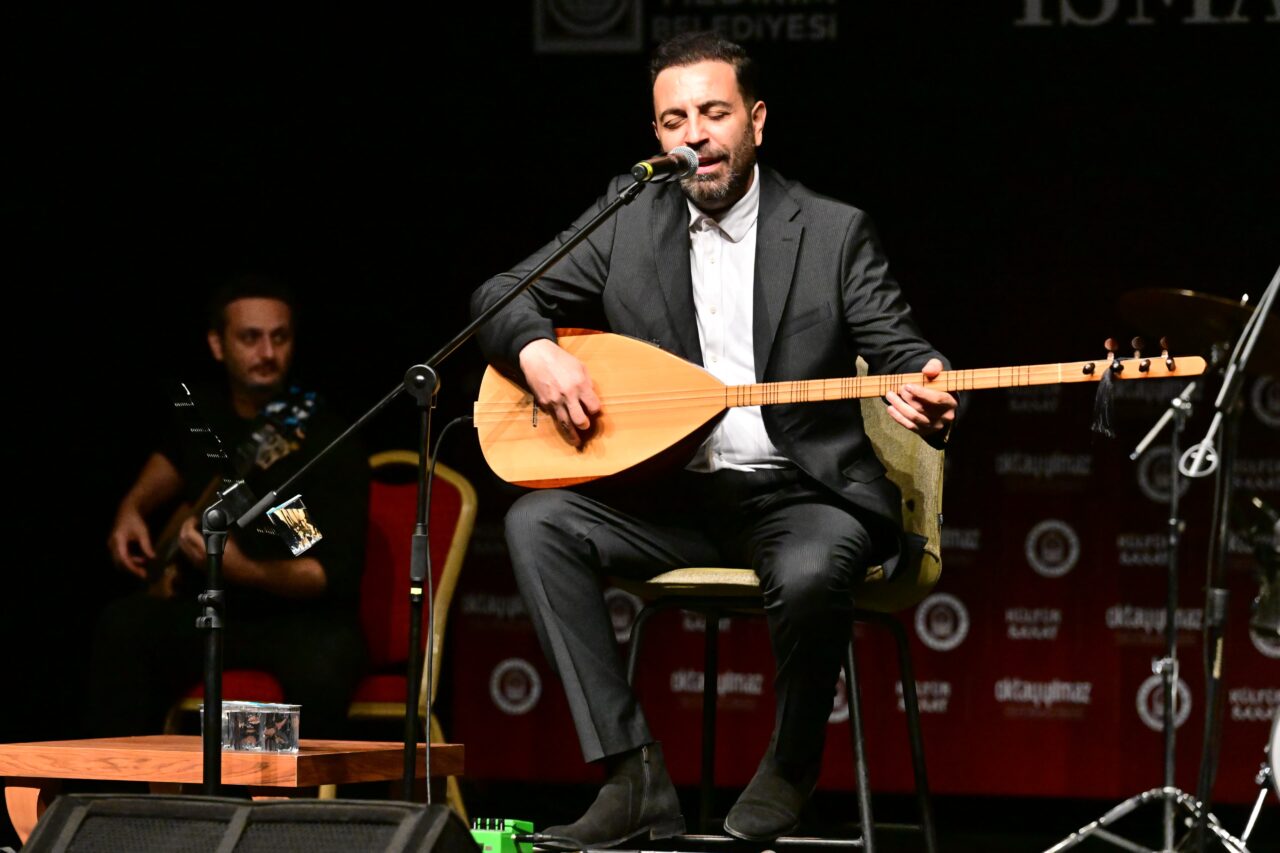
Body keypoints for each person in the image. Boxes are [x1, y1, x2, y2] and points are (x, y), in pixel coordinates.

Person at [471, 32, 957, 847]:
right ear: (657, 136)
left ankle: (792, 764)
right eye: (674, 120)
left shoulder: (832, 231)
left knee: (812, 567)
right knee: (537, 522)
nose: (694, 135)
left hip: (800, 497)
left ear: (756, 121)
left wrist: (928, 388)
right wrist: (535, 349)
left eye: (714, 113)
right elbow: (501, 295)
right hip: (674, 502)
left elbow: (901, 348)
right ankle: (632, 777)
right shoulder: (629, 218)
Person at [95, 274, 369, 740]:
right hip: (215, 612)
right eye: (250, 337)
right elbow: (173, 461)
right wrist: (131, 507)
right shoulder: (204, 412)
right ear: (217, 345)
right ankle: (118, 775)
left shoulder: (325, 439)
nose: (267, 352)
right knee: (124, 626)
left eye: (279, 337)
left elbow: (328, 573)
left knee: (324, 662)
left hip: (296, 620)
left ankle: (260, 779)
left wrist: (242, 569)